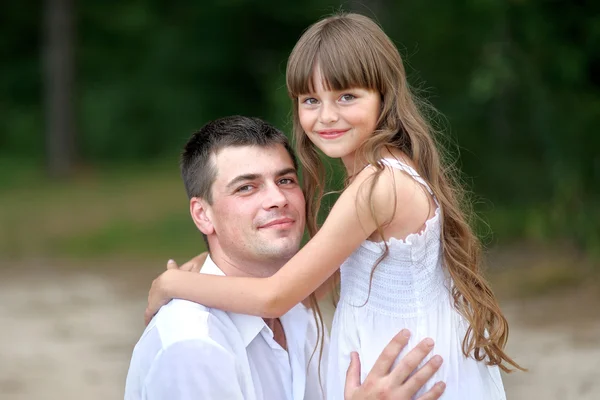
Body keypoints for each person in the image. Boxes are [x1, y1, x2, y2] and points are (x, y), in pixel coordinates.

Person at [145, 13, 523, 399]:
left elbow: (278, 296)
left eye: (346, 96)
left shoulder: (378, 186)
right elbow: (312, 281)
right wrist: (206, 267)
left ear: (384, 95)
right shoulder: (383, 175)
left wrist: (173, 283)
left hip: (407, 374)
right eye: (311, 99)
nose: (326, 116)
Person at [125, 116, 446, 399]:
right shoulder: (194, 346)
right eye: (246, 188)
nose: (277, 199)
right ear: (202, 214)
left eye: (285, 180)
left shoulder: (297, 311)